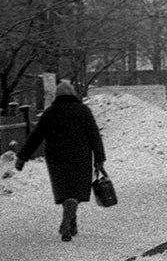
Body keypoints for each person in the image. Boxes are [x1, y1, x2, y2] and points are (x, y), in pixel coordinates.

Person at [15, 80, 106, 242]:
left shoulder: (50, 112)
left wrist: (22, 157)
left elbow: (36, 136)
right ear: (72, 94)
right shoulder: (83, 110)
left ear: (57, 96)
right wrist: (99, 158)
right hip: (81, 156)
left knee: (66, 191)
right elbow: (94, 135)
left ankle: (70, 221)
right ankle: (69, 220)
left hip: (57, 158)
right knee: (76, 191)